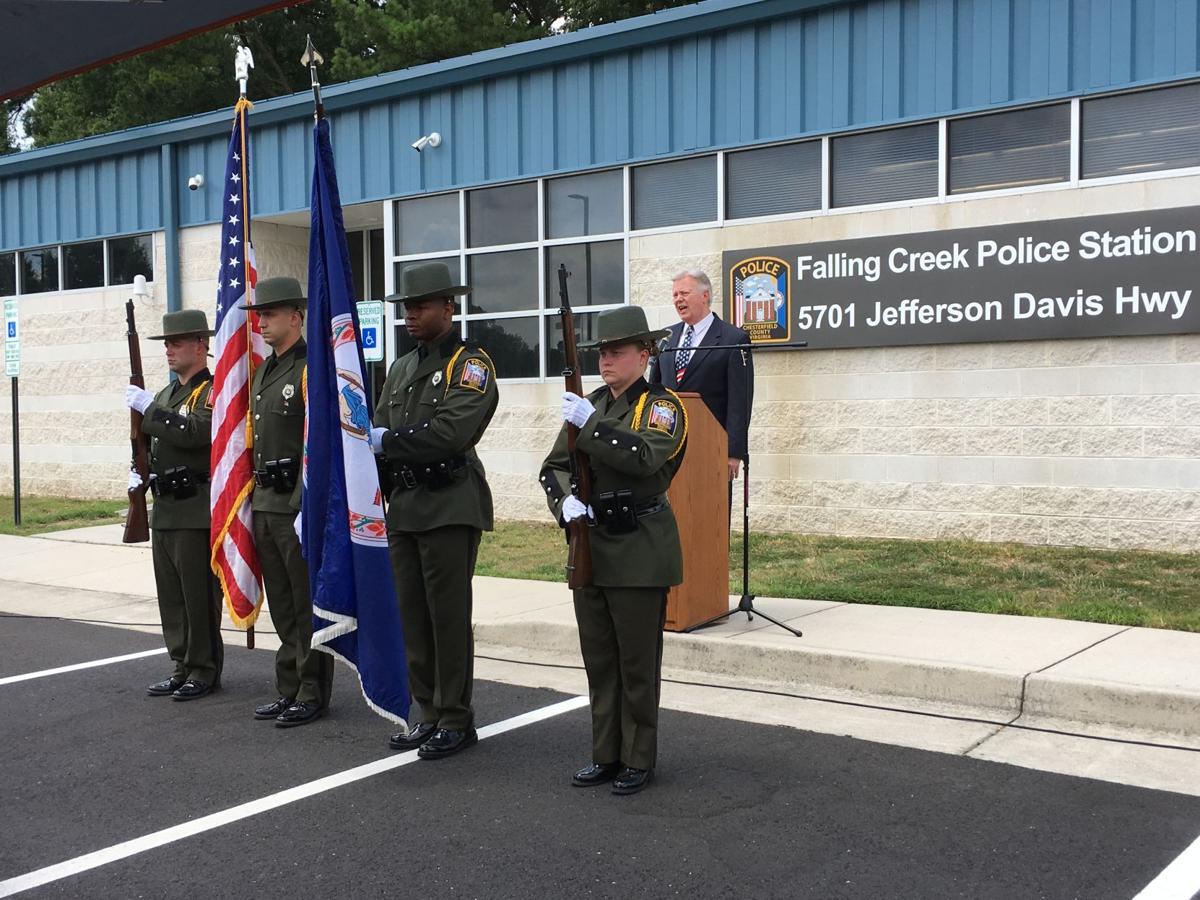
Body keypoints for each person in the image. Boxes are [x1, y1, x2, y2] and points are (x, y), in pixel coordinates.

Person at [540, 306, 687, 795]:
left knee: (636, 665)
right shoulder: (593, 401)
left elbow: (645, 458)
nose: (606, 360)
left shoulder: (662, 406)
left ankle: (639, 757)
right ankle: (606, 752)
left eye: (617, 351)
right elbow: (553, 467)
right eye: (601, 352)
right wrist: (566, 504)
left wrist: (593, 426)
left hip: (638, 547)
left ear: (644, 354)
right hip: (592, 545)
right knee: (600, 660)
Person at [370, 261, 499, 759]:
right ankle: (426, 712)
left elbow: (450, 433)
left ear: (449, 306)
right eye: (406, 307)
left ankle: (455, 717)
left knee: (447, 616)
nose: (410, 315)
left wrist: (388, 443)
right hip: (405, 506)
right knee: (412, 617)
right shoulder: (402, 368)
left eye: (421, 306)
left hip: (448, 502)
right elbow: (377, 429)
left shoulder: (470, 364)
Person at [241, 276, 334, 728]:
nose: (261, 321)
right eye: (260, 314)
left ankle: (312, 690)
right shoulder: (263, 371)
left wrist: (302, 506)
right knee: (280, 601)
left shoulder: (309, 367)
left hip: (294, 505)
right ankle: (289, 686)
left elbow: (317, 444)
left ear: (296, 317)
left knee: (302, 603)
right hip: (264, 502)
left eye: (270, 314)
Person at [126, 309, 224, 701]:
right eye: (166, 343)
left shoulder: (213, 391)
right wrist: (139, 474)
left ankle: (204, 669)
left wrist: (150, 409)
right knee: (171, 596)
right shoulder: (166, 395)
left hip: (195, 508)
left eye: (177, 342)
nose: (169, 349)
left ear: (201, 346)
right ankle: (182, 664)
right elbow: (149, 446)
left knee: (197, 596)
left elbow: (198, 433)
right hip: (164, 508)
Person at [649, 269, 751, 485]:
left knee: (710, 511)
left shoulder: (733, 338)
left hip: (711, 446)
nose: (678, 300)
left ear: (705, 295)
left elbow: (739, 401)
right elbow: (653, 390)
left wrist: (733, 452)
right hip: (666, 446)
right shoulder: (666, 337)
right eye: (675, 295)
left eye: (684, 293)